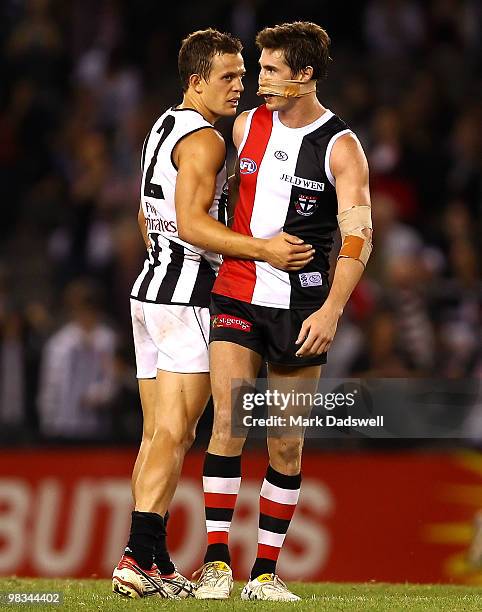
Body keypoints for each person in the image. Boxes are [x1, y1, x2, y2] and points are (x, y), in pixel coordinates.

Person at [112, 28, 313, 599]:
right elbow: (196, 224)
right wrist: (265, 249)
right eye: (227, 77)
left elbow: (149, 213)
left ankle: (152, 560)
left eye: (242, 76)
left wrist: (163, 251)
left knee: (157, 434)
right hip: (187, 296)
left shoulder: (164, 124)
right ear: (197, 80)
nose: (240, 87)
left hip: (150, 290)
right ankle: (134, 554)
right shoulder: (207, 141)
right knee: (177, 434)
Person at [193, 22, 373, 601]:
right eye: (258, 69)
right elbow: (213, 200)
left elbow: (358, 236)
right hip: (238, 294)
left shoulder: (341, 147)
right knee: (227, 424)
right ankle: (216, 564)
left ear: (306, 75)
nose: (258, 81)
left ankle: (264, 574)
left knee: (286, 443)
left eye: (270, 71)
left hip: (301, 309)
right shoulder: (245, 127)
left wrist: (332, 311)